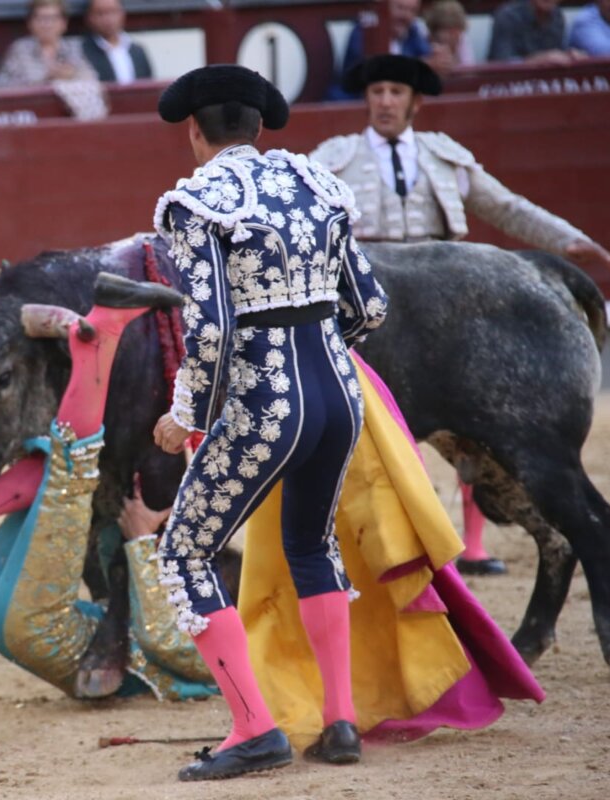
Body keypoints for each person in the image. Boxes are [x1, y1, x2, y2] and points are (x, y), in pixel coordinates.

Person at [148, 65, 388, 781]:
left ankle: (254, 730)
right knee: (312, 543)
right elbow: (369, 307)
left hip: (267, 404)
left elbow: (213, 325)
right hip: (341, 396)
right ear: (257, 128)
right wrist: (320, 353)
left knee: (185, 554)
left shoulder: (193, 203)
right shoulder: (319, 185)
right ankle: (339, 722)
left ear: (195, 134)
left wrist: (186, 412)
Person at [310, 54, 610, 575]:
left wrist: (569, 240)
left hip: (445, 314)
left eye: (396, 92)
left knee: (477, 421)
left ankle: (471, 546)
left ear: (416, 102)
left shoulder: (444, 158)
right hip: (371, 312)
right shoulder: (333, 159)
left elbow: (507, 207)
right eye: (378, 91)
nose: (385, 101)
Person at [0, 274, 219, 701]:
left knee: (68, 470)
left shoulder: (223, 662)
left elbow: (165, 641)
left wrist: (142, 542)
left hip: (35, 628)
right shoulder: (243, 634)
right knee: (57, 461)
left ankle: (102, 333)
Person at [0, 0, 97, 88]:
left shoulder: (74, 48)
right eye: (40, 19)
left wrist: (73, 76)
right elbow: (1, 87)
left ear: (64, 23)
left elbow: (93, 81)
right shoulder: (19, 50)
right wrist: (46, 80)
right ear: (30, 23)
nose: (47, 25)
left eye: (52, 18)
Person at [489, 0, 587, 64]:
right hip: (506, 88)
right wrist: (540, 60)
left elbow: (556, 55)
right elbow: (503, 64)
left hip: (543, 86)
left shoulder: (557, 17)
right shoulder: (507, 16)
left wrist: (569, 56)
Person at [81, 0, 153, 85]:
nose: (107, 19)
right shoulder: (82, 52)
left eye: (113, 12)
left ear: (122, 13)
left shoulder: (137, 51)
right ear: (89, 17)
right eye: (100, 13)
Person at [423, 0, 476, 66]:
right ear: (435, 31)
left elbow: (468, 69)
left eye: (458, 30)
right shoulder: (422, 42)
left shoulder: (463, 39)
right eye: (450, 31)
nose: (455, 35)